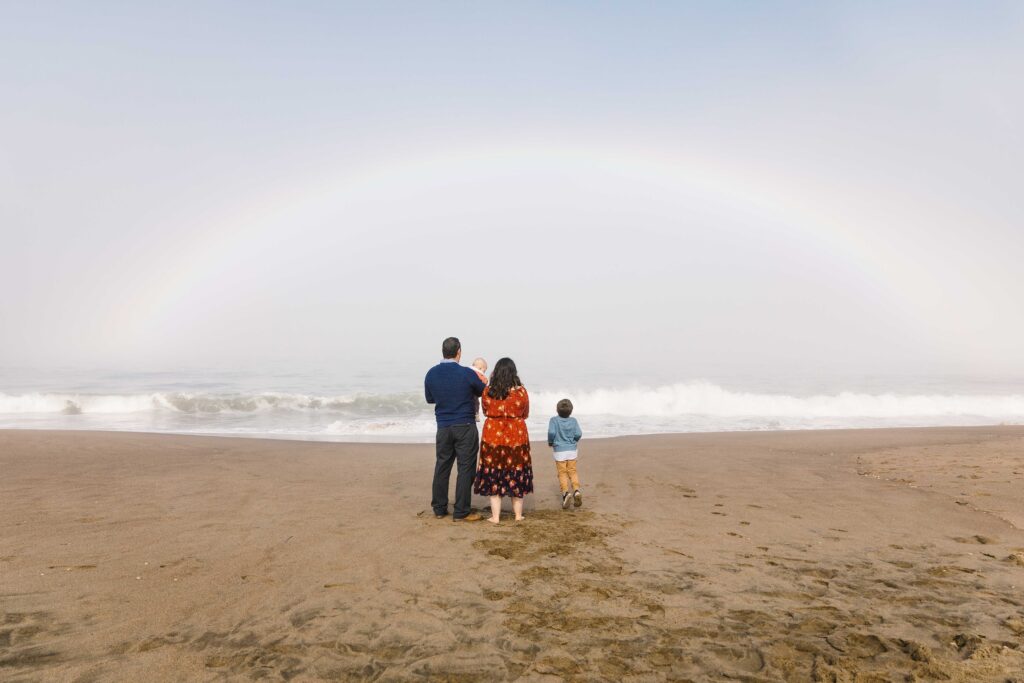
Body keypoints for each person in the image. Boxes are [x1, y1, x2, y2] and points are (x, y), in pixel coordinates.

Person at [424, 337, 485, 522]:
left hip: (443, 426)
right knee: (465, 468)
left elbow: (430, 398)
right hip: (465, 425)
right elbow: (483, 390)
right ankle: (461, 511)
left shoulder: (431, 374)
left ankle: (440, 508)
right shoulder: (466, 373)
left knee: (442, 466)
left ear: (443, 351)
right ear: (459, 351)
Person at [474, 357, 533, 524]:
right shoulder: (521, 392)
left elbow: (485, 411)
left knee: (494, 473)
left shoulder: (488, 391)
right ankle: (518, 515)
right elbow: (525, 413)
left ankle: (496, 517)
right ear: (514, 372)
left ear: (496, 372)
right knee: (516, 472)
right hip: (516, 436)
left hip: (493, 435)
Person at [547, 398, 583, 509]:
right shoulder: (573, 421)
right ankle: (576, 490)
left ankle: (566, 493)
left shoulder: (554, 420)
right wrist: (574, 440)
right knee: (572, 471)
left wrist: (550, 441)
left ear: (557, 410)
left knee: (562, 473)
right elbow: (579, 433)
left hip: (559, 450)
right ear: (571, 411)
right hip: (572, 449)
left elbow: (552, 432)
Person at [470, 358, 488, 422]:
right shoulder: (479, 374)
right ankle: (476, 414)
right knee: (476, 403)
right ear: (480, 368)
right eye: (484, 371)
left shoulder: (467, 371)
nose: (484, 373)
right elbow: (484, 383)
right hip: (474, 394)